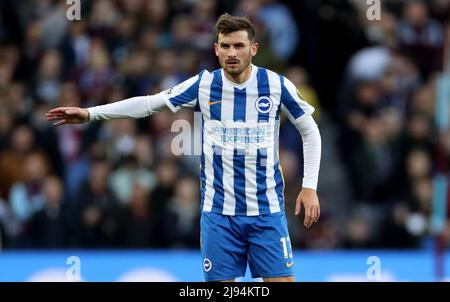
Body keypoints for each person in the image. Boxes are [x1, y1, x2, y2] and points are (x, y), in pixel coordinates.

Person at [46, 13, 322, 282]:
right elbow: (148, 103)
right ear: (216, 49)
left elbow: (310, 130)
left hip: (266, 211)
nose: (232, 53)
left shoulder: (275, 85)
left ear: (254, 48)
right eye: (225, 46)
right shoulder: (204, 85)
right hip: (219, 215)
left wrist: (309, 186)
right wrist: (91, 113)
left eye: (239, 45)